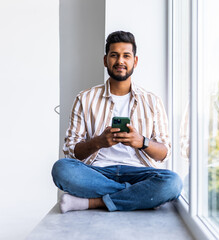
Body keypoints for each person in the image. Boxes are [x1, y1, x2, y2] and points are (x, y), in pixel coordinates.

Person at [51, 31, 182, 213]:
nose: (120, 61)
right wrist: (99, 142)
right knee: (61, 169)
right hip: (97, 173)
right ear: (106, 60)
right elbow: (72, 152)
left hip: (139, 173)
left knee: (173, 183)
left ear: (134, 61)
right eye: (114, 55)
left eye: (126, 56)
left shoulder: (152, 101)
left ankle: (93, 202)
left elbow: (164, 153)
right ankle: (138, 196)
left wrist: (141, 142)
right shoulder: (85, 98)